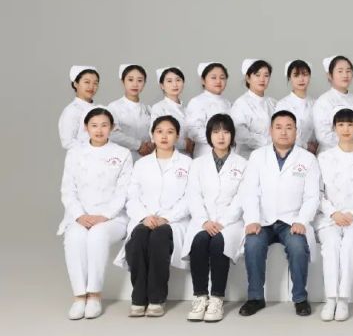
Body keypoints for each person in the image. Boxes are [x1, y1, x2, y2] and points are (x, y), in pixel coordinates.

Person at [238, 110, 320, 317]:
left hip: (291, 221)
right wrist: (252, 220)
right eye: (279, 127)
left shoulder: (308, 159)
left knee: (298, 246)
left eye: (289, 127)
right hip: (263, 220)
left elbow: (312, 196)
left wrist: (302, 221)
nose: (284, 132)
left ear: (296, 131)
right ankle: (255, 298)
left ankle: (300, 298)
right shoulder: (257, 156)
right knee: (253, 244)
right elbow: (249, 192)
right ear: (271, 131)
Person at [115, 115, 192, 318]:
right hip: (144, 217)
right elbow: (131, 197)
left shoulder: (187, 163)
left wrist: (167, 218)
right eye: (159, 131)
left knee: (159, 237)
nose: (164, 136)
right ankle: (139, 297)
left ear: (177, 136)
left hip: (173, 220)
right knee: (139, 237)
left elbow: (190, 198)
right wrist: (144, 217)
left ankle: (157, 298)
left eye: (170, 132)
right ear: (152, 135)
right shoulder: (141, 164)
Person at [58, 107, 131, 319]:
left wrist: (104, 216)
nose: (99, 130)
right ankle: (79, 296)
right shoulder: (75, 153)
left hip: (113, 218)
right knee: (74, 237)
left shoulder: (122, 154)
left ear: (112, 127)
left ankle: (94, 295)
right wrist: (79, 215)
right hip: (80, 216)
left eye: (104, 125)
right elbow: (68, 190)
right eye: (94, 125)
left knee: (97, 235)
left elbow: (123, 191)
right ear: (86, 127)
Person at [182, 114, 247, 322]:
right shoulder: (197, 164)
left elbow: (241, 198)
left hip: (230, 222)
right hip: (203, 220)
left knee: (219, 242)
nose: (221, 136)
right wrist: (204, 221)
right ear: (209, 136)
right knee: (200, 240)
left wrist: (223, 222)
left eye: (226, 132)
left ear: (232, 136)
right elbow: (193, 195)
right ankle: (200, 296)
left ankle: (217, 299)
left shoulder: (243, 164)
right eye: (216, 132)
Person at [315, 108, 353, 321]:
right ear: (334, 128)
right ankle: (331, 298)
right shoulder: (324, 158)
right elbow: (317, 193)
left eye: (350, 124)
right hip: (329, 218)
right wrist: (333, 213)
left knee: (349, 245)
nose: (346, 129)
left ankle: (343, 300)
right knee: (331, 246)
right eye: (341, 125)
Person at [313, 55, 353, 152]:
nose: (345, 75)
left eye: (348, 71)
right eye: (340, 71)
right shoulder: (323, 101)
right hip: (331, 154)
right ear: (330, 75)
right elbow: (323, 135)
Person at [231, 59, 276, 159]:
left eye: (266, 75)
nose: (262, 79)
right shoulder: (241, 103)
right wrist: (269, 141)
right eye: (257, 75)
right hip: (248, 158)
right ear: (248, 78)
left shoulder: (273, 103)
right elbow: (240, 134)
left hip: (271, 156)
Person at [185, 62, 232, 157]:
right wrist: (219, 139)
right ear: (203, 80)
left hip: (228, 153)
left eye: (222, 78)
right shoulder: (197, 101)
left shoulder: (228, 103)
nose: (218, 81)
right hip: (205, 153)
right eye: (213, 78)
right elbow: (194, 131)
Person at [108, 64, 154, 161]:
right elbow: (112, 134)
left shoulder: (148, 109)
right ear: (122, 82)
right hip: (123, 158)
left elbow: (155, 132)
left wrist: (152, 144)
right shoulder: (113, 107)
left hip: (147, 158)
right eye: (130, 80)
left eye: (140, 80)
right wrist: (138, 145)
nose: (135, 84)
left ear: (144, 83)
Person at [275, 59, 317, 153]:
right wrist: (306, 146)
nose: (301, 79)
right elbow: (282, 133)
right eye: (296, 75)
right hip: (290, 153)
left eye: (305, 74)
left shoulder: (316, 104)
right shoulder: (283, 105)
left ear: (310, 76)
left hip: (314, 154)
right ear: (289, 78)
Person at [150, 67, 194, 155]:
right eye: (169, 81)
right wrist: (185, 144)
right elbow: (154, 136)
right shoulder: (159, 107)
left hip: (188, 156)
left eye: (178, 80)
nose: (175, 84)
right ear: (162, 85)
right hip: (169, 155)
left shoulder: (186, 109)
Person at [59, 65, 99, 150]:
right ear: (75, 84)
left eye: (95, 83)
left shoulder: (99, 109)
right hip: (81, 157)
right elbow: (67, 142)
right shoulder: (71, 110)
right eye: (87, 82)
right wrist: (94, 147)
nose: (91, 87)